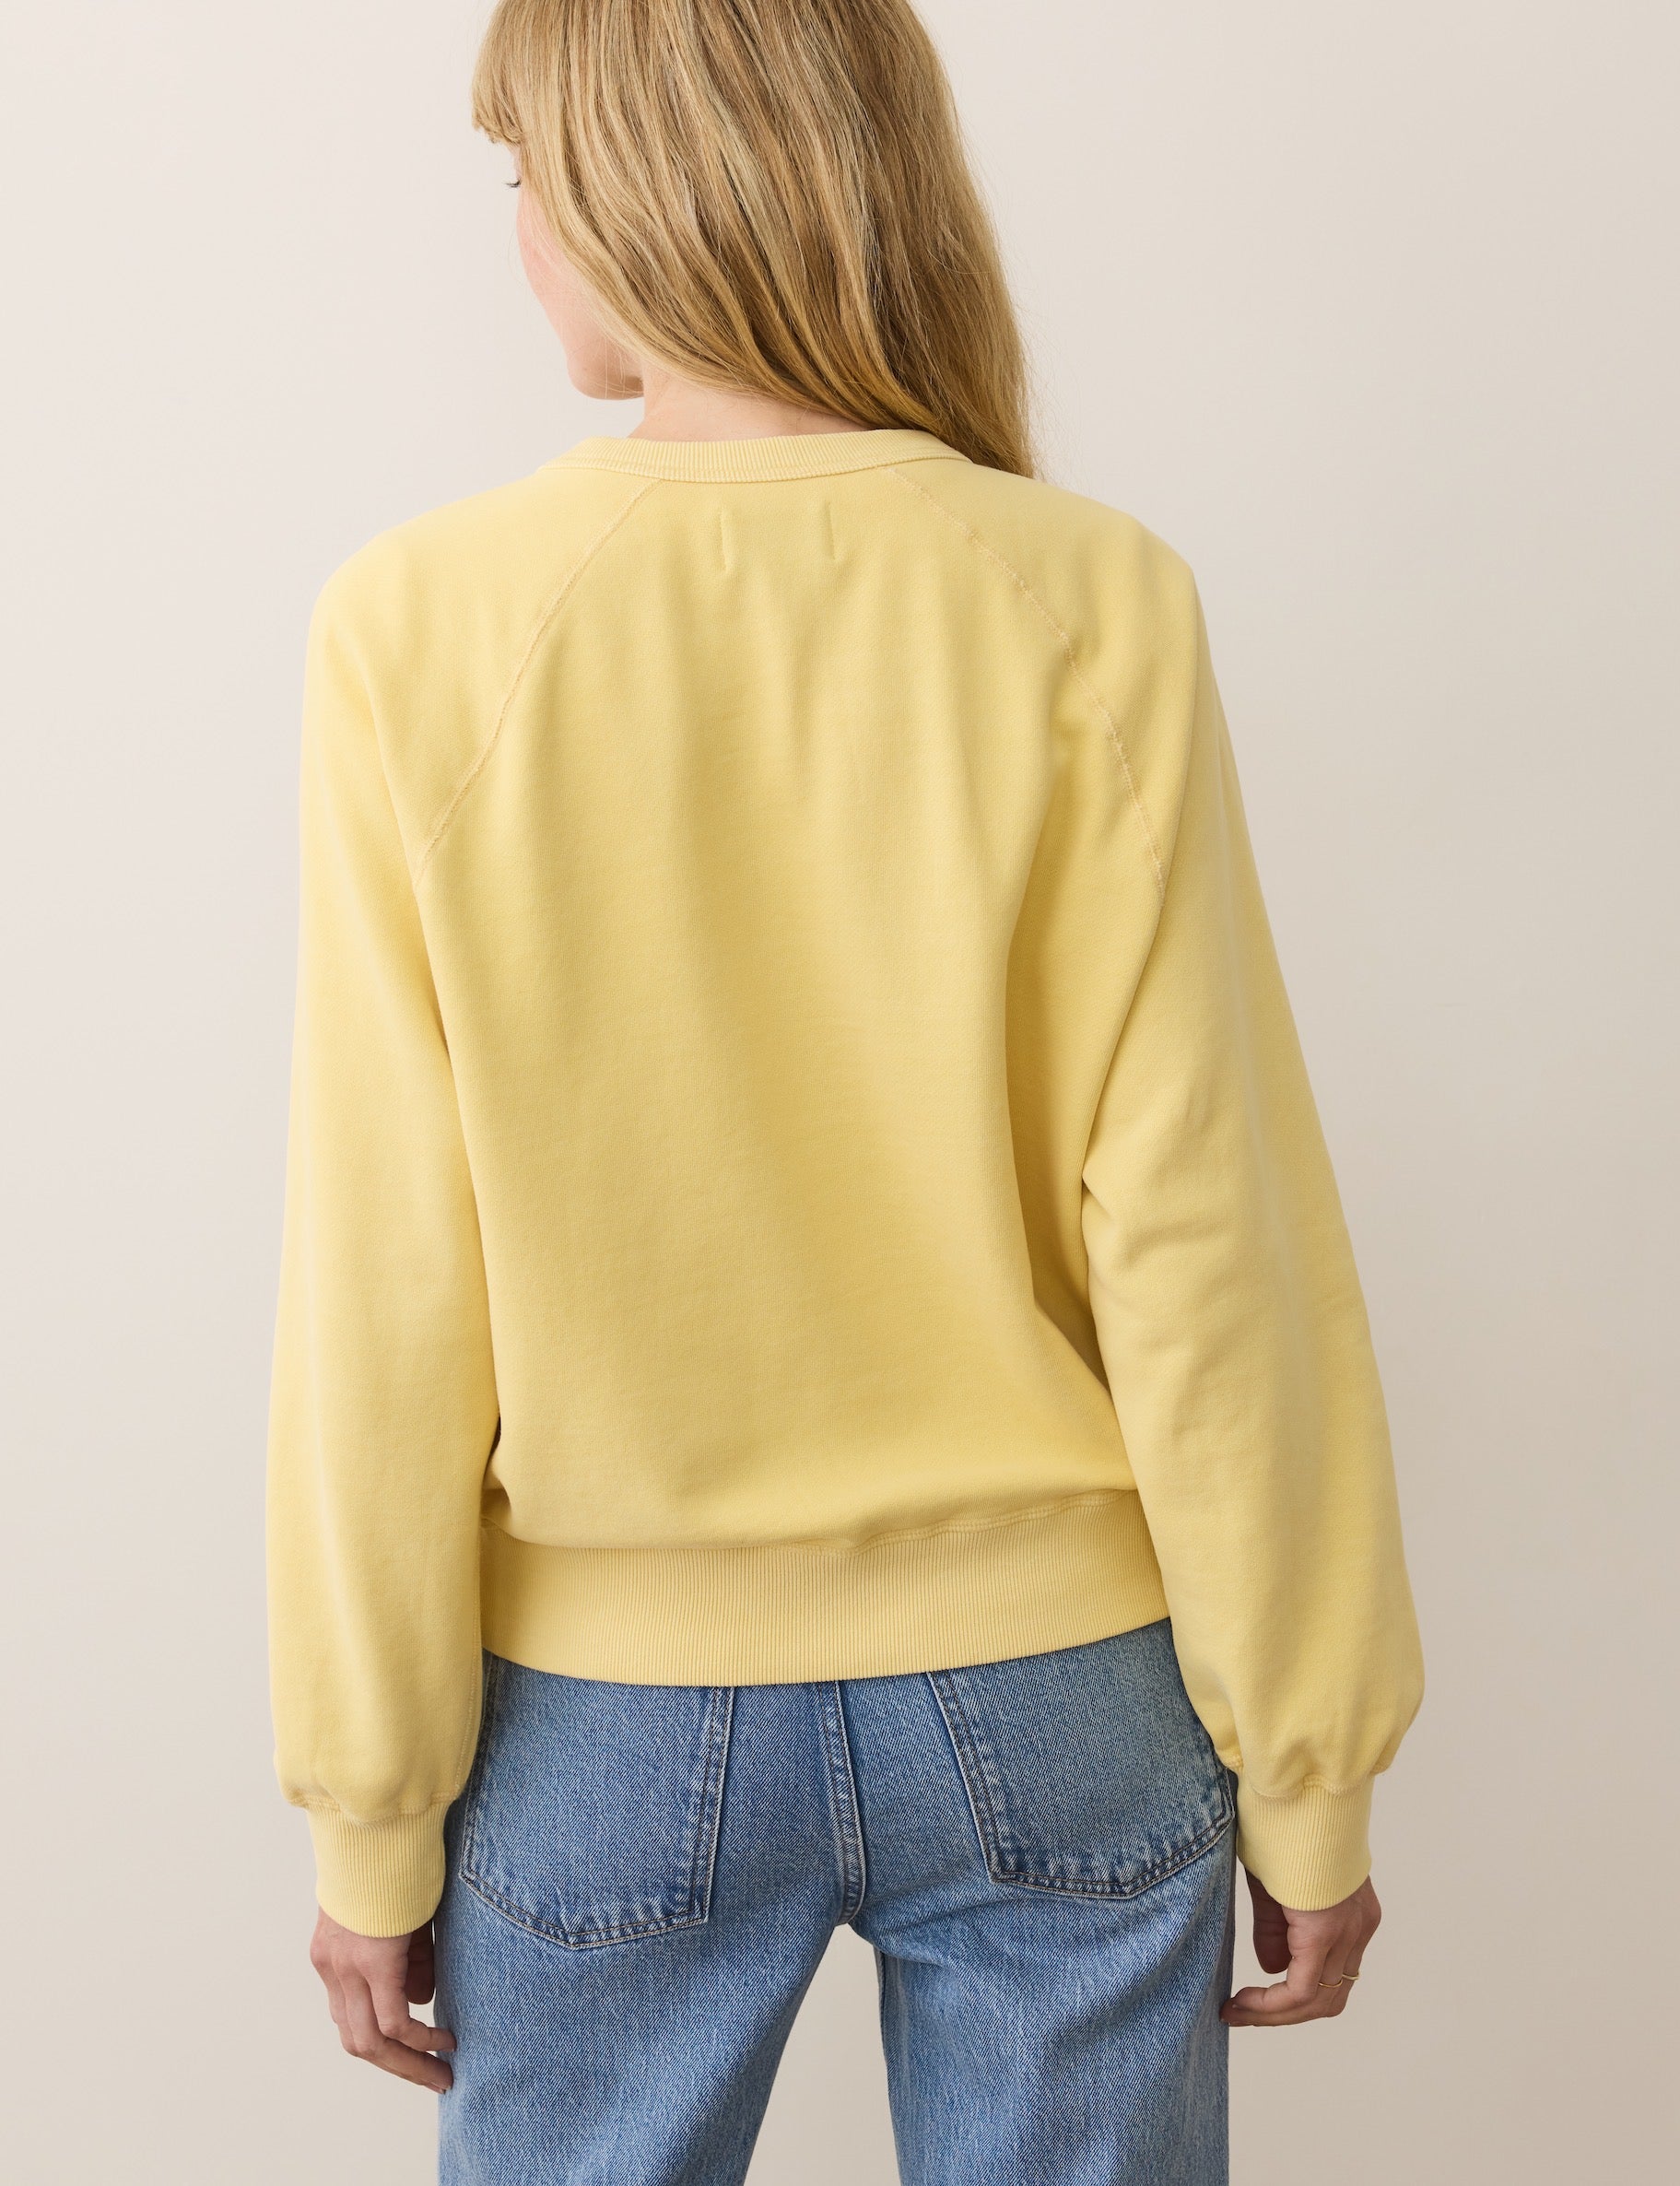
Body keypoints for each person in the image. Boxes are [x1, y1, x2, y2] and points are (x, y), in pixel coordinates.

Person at [268, 1, 1423, 2178]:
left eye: (525, 177)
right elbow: (1204, 1234)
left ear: (636, 190)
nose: (518, 235)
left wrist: (370, 1814)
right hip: (1065, 1691)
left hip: (599, 1722)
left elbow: (389, 1283)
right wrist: (1308, 1767)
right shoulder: (1090, 598)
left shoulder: (418, 627)